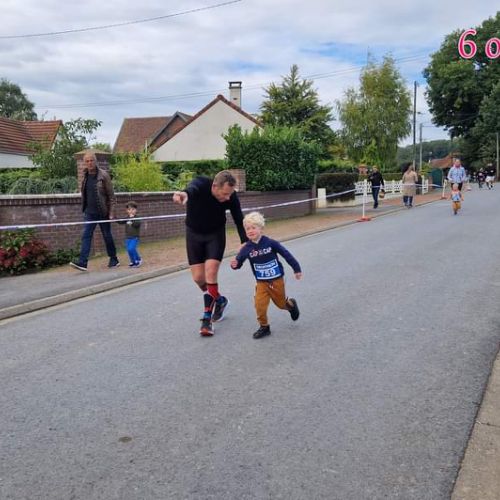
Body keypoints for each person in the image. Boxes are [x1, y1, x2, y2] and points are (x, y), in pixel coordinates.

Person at [172, 170, 247, 337]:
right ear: (214, 186)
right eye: (225, 194)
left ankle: (207, 320)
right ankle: (220, 300)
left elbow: (238, 218)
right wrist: (183, 194)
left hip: (215, 235)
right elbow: (191, 190)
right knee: (199, 279)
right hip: (194, 234)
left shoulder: (231, 196)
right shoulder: (201, 184)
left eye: (230, 194)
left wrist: (244, 241)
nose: (227, 198)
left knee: (211, 272)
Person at [230, 211, 302, 339]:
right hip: (261, 282)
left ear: (261, 229)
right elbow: (238, 262)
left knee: (280, 304)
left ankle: (291, 305)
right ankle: (264, 327)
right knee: (259, 305)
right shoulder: (246, 248)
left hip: (277, 279)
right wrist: (235, 264)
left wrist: (296, 269)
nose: (250, 231)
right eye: (247, 229)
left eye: (253, 228)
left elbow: (286, 254)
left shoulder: (270, 243)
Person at [70, 152, 119, 271]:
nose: (89, 163)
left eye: (91, 160)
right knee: (86, 236)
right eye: (87, 161)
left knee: (107, 235)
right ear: (84, 163)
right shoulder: (85, 176)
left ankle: (114, 258)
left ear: (95, 161)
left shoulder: (104, 175)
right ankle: (83, 262)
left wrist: (111, 213)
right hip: (89, 213)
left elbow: (111, 196)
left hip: (103, 212)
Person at [117, 201, 142, 267]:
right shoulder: (127, 218)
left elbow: (137, 224)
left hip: (135, 237)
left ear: (136, 210)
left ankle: (137, 260)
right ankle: (133, 261)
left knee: (131, 249)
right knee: (129, 250)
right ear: (127, 210)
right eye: (129, 209)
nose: (131, 211)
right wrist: (114, 218)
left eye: (133, 209)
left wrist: (132, 218)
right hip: (128, 237)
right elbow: (121, 222)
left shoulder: (137, 218)